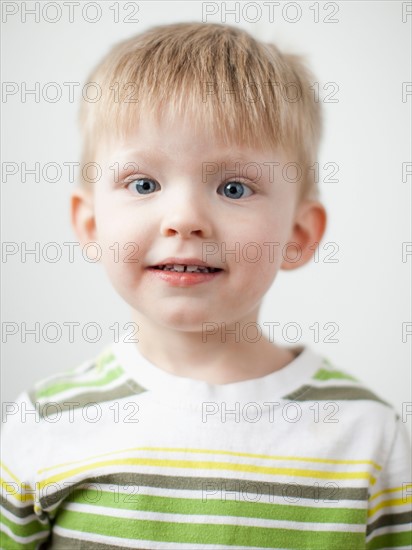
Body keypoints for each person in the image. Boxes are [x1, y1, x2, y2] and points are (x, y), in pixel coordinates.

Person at [1, 22, 410, 550]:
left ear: (299, 236)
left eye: (234, 187)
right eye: (143, 184)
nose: (185, 219)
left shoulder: (366, 438)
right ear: (90, 226)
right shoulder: (46, 423)